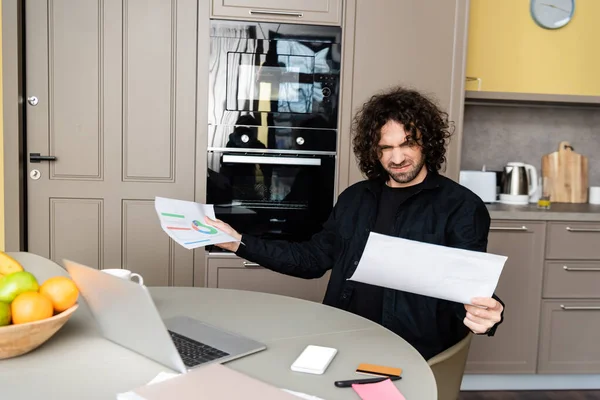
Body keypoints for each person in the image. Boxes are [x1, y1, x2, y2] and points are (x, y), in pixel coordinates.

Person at [205, 86, 505, 360]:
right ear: (373, 150)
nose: (397, 157)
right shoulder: (355, 198)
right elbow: (312, 259)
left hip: (413, 355)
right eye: (385, 148)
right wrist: (237, 242)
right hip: (343, 341)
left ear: (427, 141)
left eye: (407, 144)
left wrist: (486, 312)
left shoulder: (462, 207)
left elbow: (466, 289)